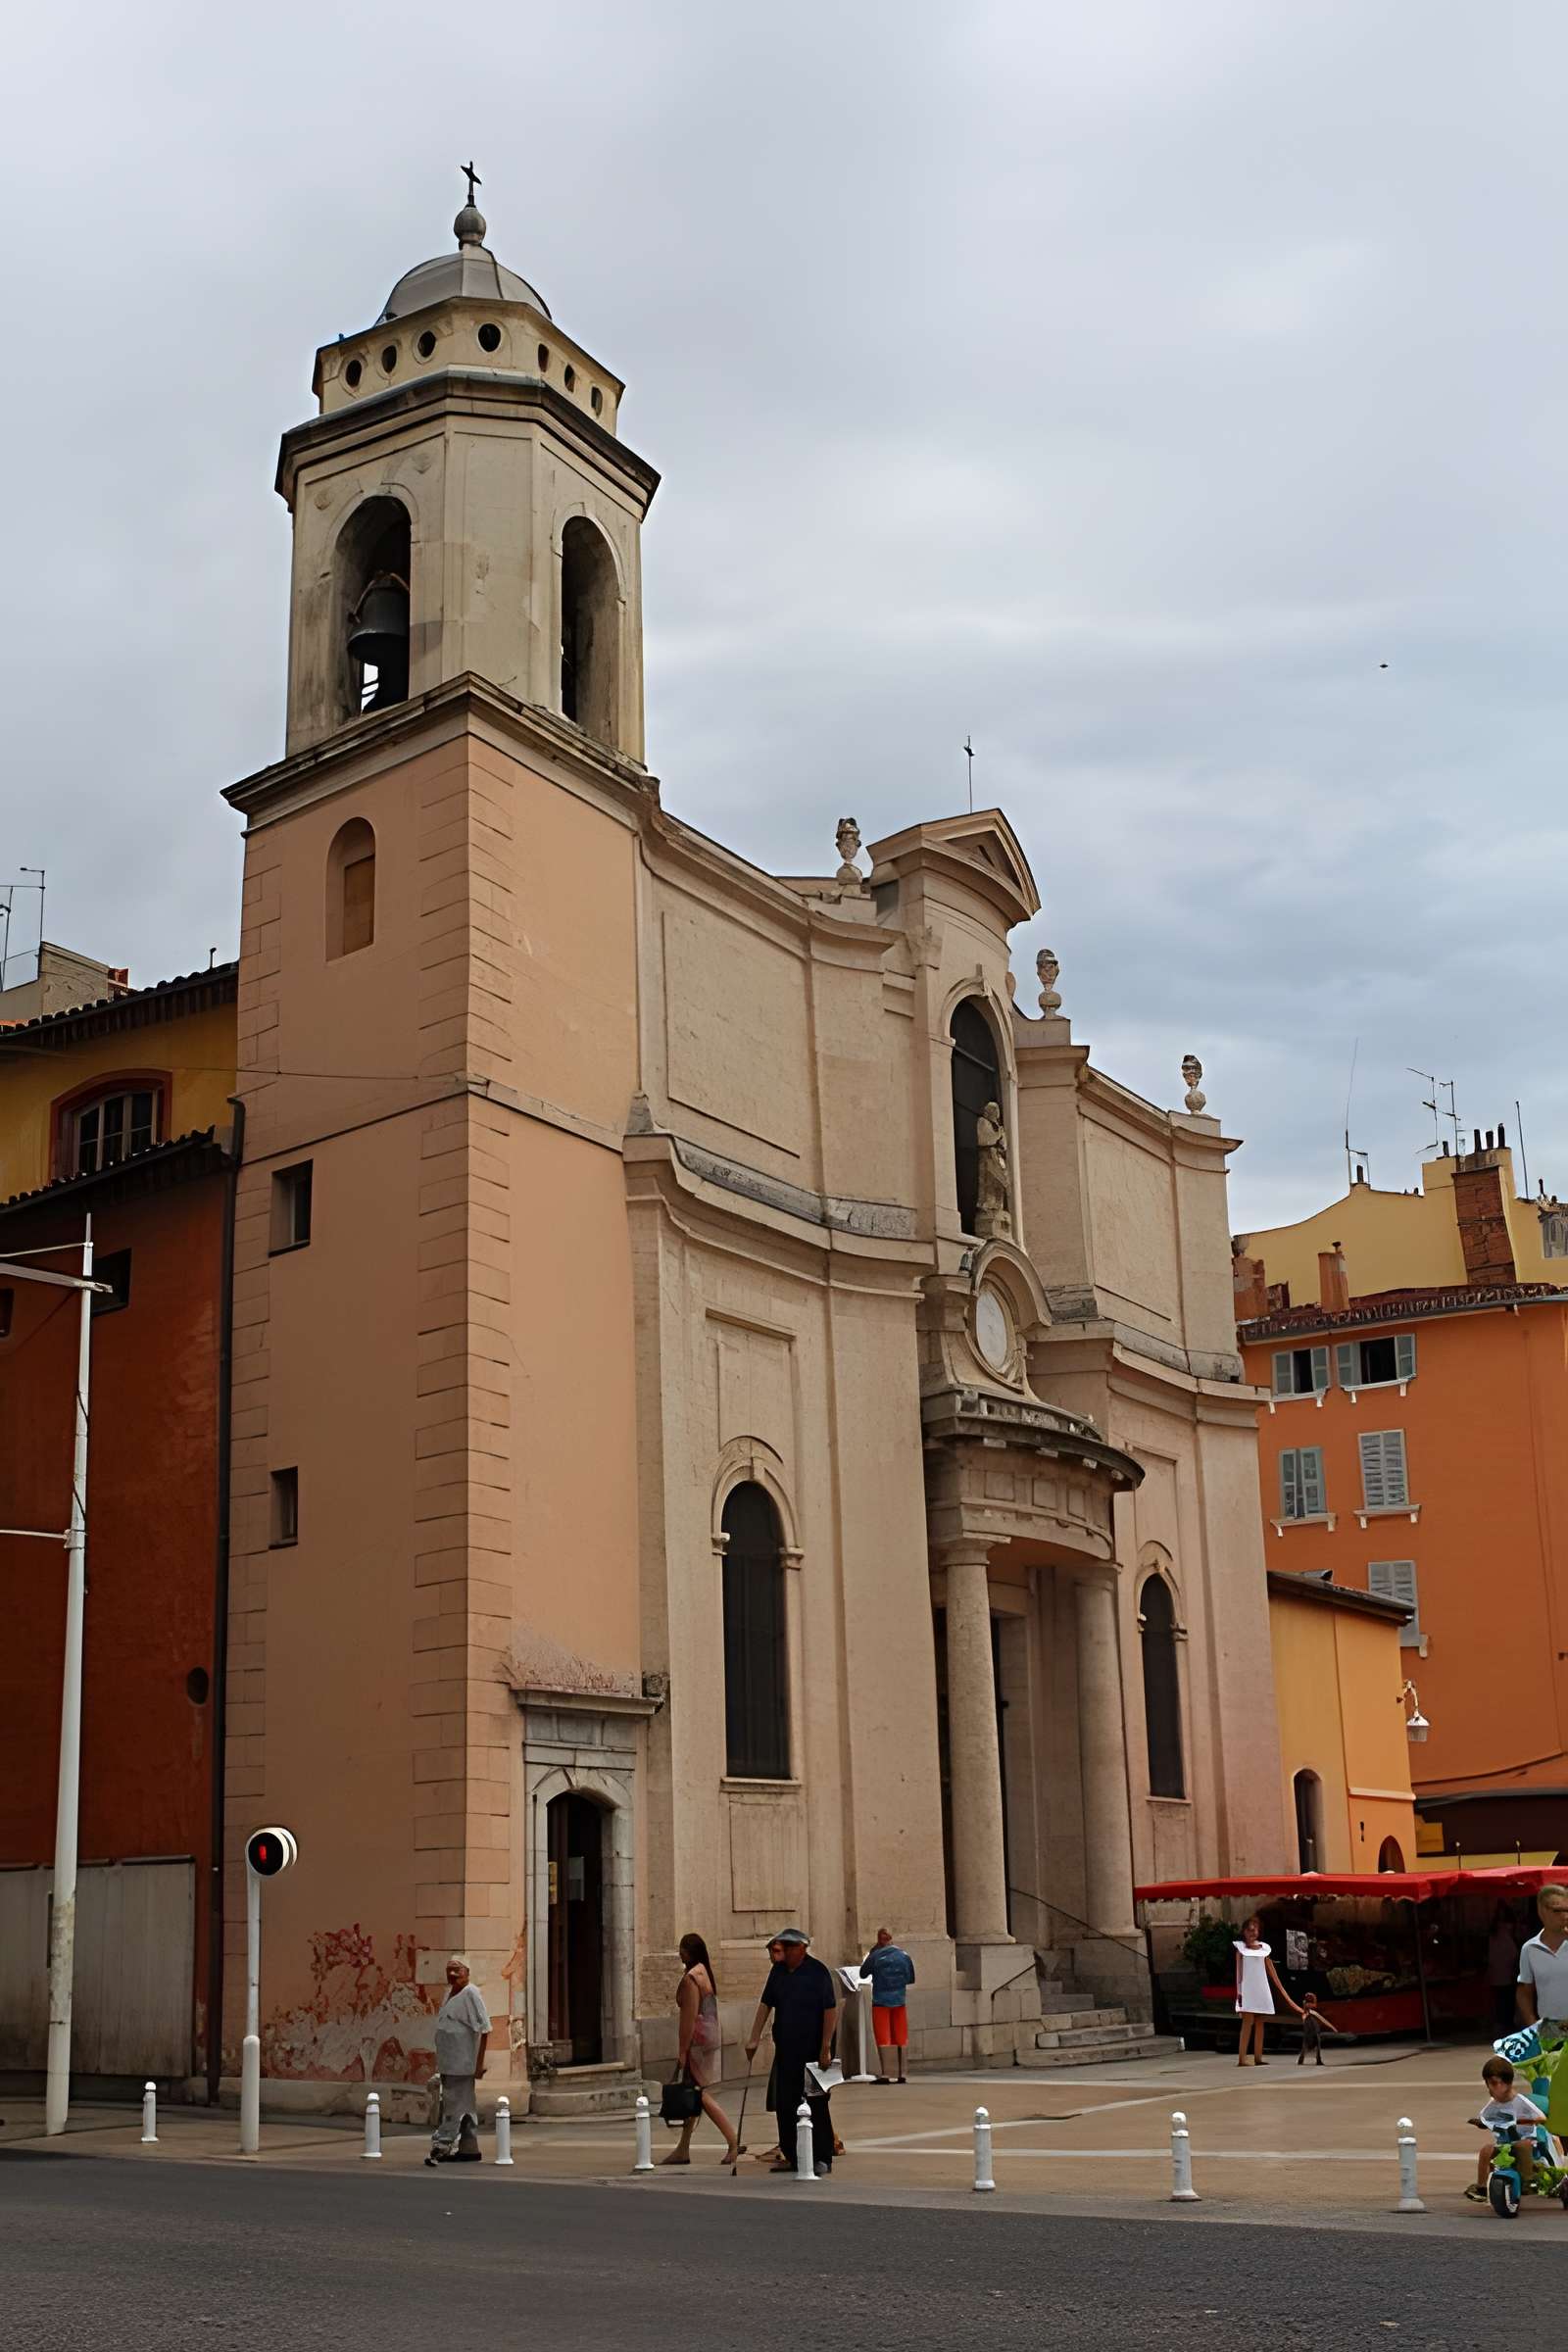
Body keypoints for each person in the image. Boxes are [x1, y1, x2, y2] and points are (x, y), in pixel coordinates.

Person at [746, 1927, 838, 2177]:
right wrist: (754, 2038)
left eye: (788, 1947)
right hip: (786, 2050)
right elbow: (765, 2004)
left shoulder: (817, 1972)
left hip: (813, 2050)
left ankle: (821, 2156)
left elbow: (830, 2010)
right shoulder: (778, 1972)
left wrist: (826, 2047)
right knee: (786, 2103)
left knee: (815, 2103)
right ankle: (793, 2154)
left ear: (801, 1948)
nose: (783, 1952)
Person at [662, 1933, 744, 2166]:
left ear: (690, 1951)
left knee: (699, 2093)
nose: (679, 1953)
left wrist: (682, 2051)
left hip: (697, 2041)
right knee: (693, 2092)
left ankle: (733, 2140)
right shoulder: (703, 1972)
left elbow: (688, 2019)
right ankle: (683, 2148)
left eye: (682, 1949)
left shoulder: (691, 1978)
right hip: (708, 2037)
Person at [425, 1954, 490, 2167]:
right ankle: (469, 2148)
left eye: (457, 1970)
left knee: (453, 2108)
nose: (452, 1974)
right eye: (449, 1970)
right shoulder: (449, 1993)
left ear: (467, 1973)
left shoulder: (471, 1993)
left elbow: (485, 2028)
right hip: (449, 2061)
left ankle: (442, 2146)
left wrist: (478, 2065)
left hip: (462, 2064)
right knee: (465, 2107)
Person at [1515, 1884, 1568, 2138]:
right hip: (1549, 2029)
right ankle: (1553, 2153)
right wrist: (1531, 2025)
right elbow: (1524, 1991)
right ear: (1542, 1912)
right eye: (1557, 1910)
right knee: (1548, 2095)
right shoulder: (1530, 1949)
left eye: (1567, 1910)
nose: (1564, 1915)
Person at [1465, 2057, 1544, 2202]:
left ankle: (1528, 2181)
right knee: (1486, 2150)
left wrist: (1524, 2121)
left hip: (1523, 2142)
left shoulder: (1520, 2102)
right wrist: (1481, 2123)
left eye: (1495, 2084)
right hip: (1504, 2145)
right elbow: (1486, 2117)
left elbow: (1541, 2117)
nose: (1490, 2088)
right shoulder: (1493, 2104)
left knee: (1523, 2145)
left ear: (1507, 2084)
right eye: (1488, 2084)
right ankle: (1482, 2187)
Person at [1233, 1915, 1301, 2066]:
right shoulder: (1241, 1950)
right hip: (1247, 1989)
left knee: (1260, 2022)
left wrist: (1283, 1992)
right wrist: (1239, 1993)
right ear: (1244, 1931)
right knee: (1247, 2022)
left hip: (1261, 1988)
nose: (1253, 1932)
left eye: (1255, 1929)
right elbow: (1239, 1973)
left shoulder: (1264, 1949)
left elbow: (1271, 1972)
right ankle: (1242, 2058)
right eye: (1250, 1930)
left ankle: (1258, 2057)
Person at [859, 1927, 916, 2083]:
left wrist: (872, 1952)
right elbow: (911, 1978)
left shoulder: (875, 1955)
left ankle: (886, 2073)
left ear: (879, 1939)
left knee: (883, 2035)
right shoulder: (904, 1956)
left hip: (880, 2000)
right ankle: (902, 2072)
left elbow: (863, 1973)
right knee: (901, 2035)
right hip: (899, 1999)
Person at [1489, 1906, 1521, 2039]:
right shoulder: (1504, 1937)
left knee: (1502, 2002)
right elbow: (1514, 1954)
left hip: (1498, 1975)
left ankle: (1503, 2025)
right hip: (1506, 1975)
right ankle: (1505, 2026)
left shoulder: (1493, 1937)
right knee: (1506, 2002)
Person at [1296, 1991, 1342, 2067]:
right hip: (1309, 2030)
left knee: (1315, 2044)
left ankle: (1317, 2059)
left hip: (1313, 2030)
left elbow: (1321, 2019)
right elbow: (1321, 2019)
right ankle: (1304, 2059)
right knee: (1306, 2045)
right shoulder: (1308, 2011)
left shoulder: (1312, 2012)